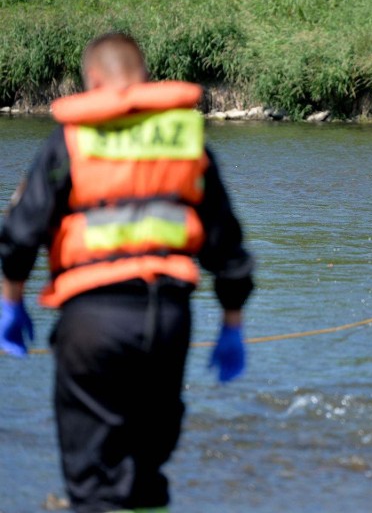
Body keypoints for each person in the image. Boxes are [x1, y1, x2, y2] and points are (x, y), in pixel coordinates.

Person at [0, 32, 254, 513]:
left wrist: (9, 300)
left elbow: (22, 230)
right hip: (168, 318)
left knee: (95, 481)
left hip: (93, 319)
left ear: (93, 80)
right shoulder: (184, 137)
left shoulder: (73, 137)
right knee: (143, 471)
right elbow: (226, 242)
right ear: (143, 77)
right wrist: (232, 324)